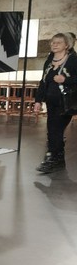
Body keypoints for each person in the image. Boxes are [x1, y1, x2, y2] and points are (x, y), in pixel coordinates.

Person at [33, 33, 77, 174]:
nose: (55, 44)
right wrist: (38, 100)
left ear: (67, 45)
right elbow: (43, 82)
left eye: (58, 42)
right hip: (51, 102)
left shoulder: (73, 60)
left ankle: (51, 158)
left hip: (66, 102)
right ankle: (58, 159)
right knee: (53, 130)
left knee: (55, 130)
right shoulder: (49, 61)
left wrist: (65, 80)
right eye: (53, 42)